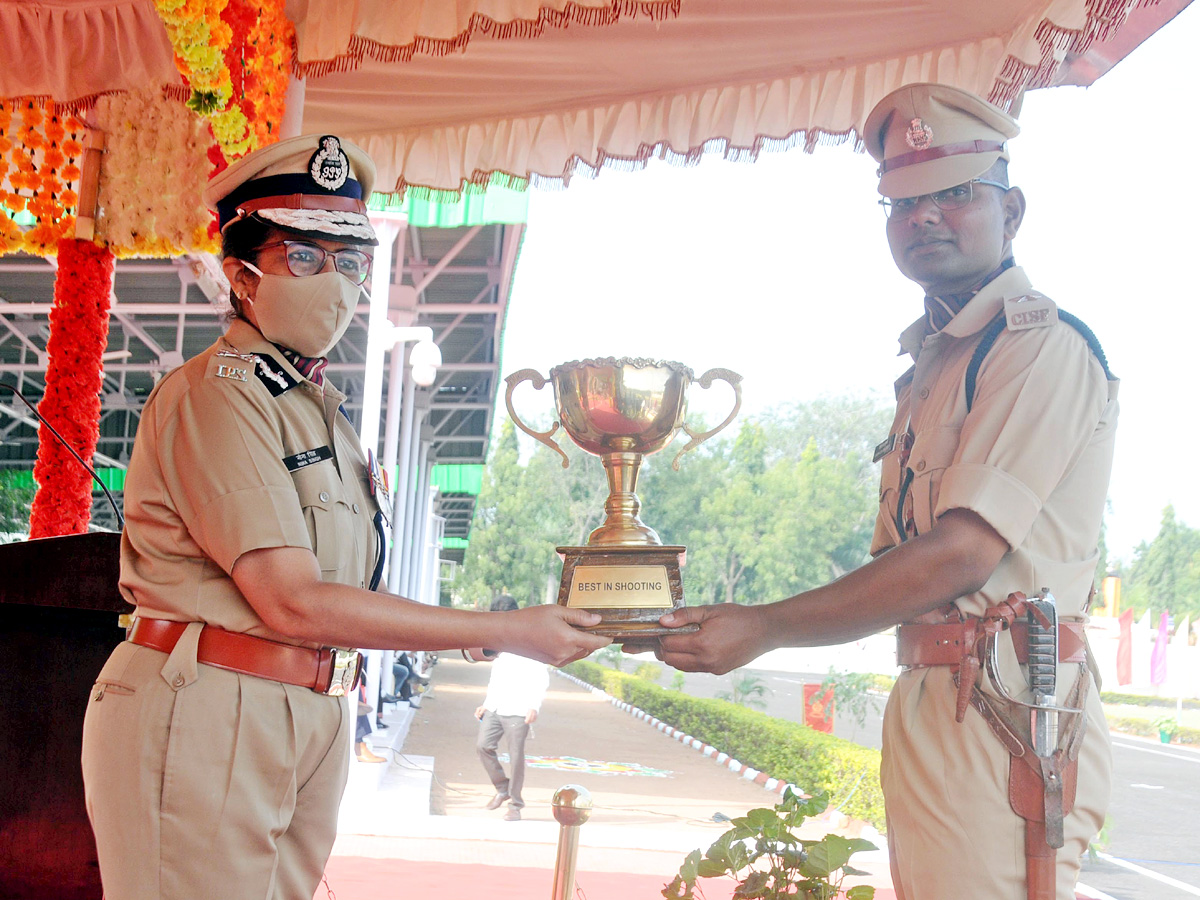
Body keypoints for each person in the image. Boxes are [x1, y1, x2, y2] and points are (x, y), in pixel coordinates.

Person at [80, 134, 609, 900]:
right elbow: (291, 600)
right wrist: (501, 629)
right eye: (303, 257)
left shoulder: (320, 414)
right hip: (210, 708)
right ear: (241, 274)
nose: (335, 283)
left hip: (309, 710)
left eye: (350, 262)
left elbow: (345, 591)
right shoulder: (220, 393)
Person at [657, 83, 1117, 900]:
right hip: (942, 697)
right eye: (903, 202)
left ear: (1012, 212)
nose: (926, 218)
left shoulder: (1036, 350)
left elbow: (960, 553)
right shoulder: (937, 362)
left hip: (1009, 710)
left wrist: (765, 627)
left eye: (956, 196)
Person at [473, 595, 551, 822]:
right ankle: (502, 788)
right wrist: (486, 704)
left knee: (516, 757)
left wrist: (534, 705)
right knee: (483, 746)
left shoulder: (531, 639)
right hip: (496, 707)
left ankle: (515, 805)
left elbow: (541, 676)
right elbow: (496, 676)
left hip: (519, 709)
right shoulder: (498, 639)